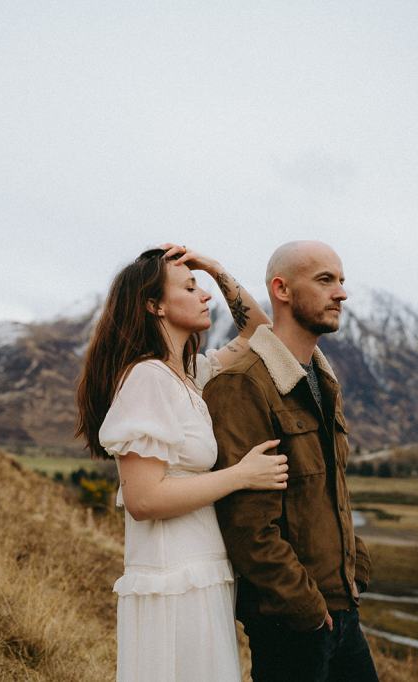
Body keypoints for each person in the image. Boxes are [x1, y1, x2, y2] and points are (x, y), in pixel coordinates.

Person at [75, 244, 288, 682]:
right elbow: (144, 499)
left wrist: (212, 267)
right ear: (154, 305)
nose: (204, 295)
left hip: (200, 574)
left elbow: (261, 334)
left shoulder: (190, 376)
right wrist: (240, 475)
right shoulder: (147, 377)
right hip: (173, 580)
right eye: (190, 287)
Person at [203, 240, 379, 681]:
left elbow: (328, 490)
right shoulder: (244, 384)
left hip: (341, 608)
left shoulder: (321, 379)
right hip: (292, 620)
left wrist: (356, 568)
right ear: (281, 289)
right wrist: (305, 606)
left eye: (341, 281)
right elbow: (247, 522)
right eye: (325, 280)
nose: (341, 293)